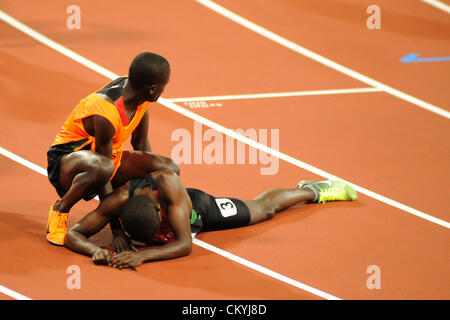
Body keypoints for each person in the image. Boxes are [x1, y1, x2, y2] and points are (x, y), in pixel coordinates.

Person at [64, 170, 357, 269]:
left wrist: (144, 256)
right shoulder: (118, 202)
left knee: (263, 209)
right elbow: (73, 233)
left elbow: (183, 245)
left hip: (199, 211)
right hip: (151, 216)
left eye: (157, 232)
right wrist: (96, 250)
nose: (156, 239)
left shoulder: (169, 187)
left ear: (157, 211)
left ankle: (312, 190)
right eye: (149, 239)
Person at [46, 52, 179, 247]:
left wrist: (152, 189)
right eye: (163, 86)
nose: (164, 90)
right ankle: (60, 209)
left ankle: (158, 217)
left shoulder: (139, 96)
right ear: (152, 89)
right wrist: (116, 231)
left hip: (108, 161)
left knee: (168, 168)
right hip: (68, 164)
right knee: (105, 167)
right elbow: (103, 173)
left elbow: (141, 144)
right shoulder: (106, 113)